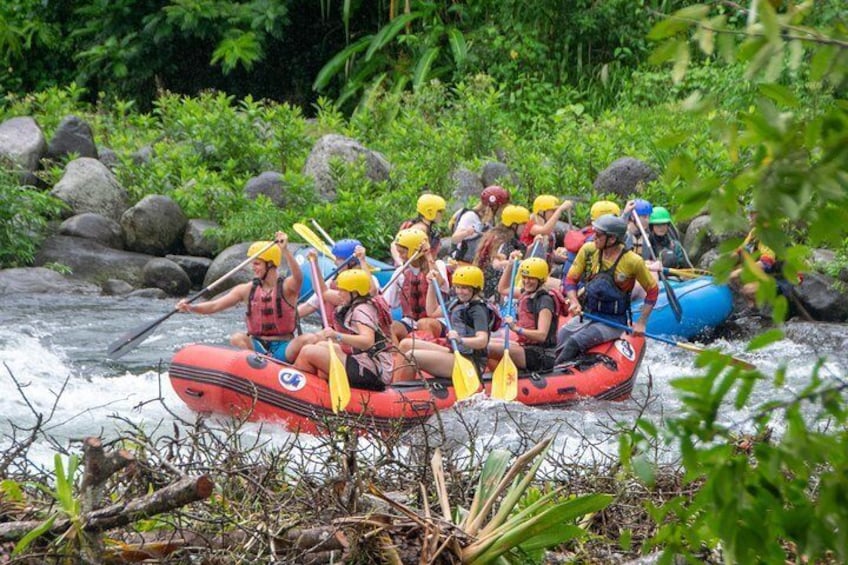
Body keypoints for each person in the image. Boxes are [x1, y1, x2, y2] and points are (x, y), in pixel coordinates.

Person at [176, 232, 302, 360]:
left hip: (284, 346)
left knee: (308, 339)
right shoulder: (246, 290)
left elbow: (298, 277)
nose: (253, 268)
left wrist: (285, 250)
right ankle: (256, 368)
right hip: (257, 345)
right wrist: (191, 307)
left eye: (257, 264)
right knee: (237, 338)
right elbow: (214, 305)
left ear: (270, 264)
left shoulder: (287, 287)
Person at [555, 215, 658, 365]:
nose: (593, 237)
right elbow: (571, 279)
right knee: (560, 337)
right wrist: (574, 301)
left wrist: (642, 322)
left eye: (598, 235)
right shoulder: (589, 250)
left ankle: (554, 372)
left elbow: (653, 290)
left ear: (612, 239)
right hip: (587, 314)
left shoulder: (633, 261)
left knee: (575, 342)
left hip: (613, 322)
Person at [293, 269, 394, 391]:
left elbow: (368, 341)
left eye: (342, 290)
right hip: (364, 360)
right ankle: (320, 391)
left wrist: (337, 335)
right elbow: (323, 291)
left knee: (307, 352)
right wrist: (313, 264)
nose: (339, 293)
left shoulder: (362, 310)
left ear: (354, 292)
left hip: (372, 370)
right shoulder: (357, 302)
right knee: (321, 345)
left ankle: (297, 391)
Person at [285, 240, 379, 362]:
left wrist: (362, 260)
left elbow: (371, 292)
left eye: (338, 259)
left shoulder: (367, 283)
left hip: (350, 341)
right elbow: (312, 302)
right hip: (333, 334)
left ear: (351, 261)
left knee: (309, 342)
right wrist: (286, 318)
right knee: (305, 341)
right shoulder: (333, 281)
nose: (335, 262)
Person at [396, 266, 493, 381]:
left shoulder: (478, 310)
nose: (459, 291)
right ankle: (392, 388)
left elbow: (482, 341)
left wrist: (460, 339)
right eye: (457, 287)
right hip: (454, 352)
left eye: (465, 288)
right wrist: (432, 285)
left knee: (411, 356)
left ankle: (400, 393)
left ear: (475, 289)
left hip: (469, 362)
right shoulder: (458, 303)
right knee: (405, 344)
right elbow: (432, 311)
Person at [489, 256, 561, 372]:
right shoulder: (527, 293)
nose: (526, 281)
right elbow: (503, 289)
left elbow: (541, 335)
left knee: (487, 348)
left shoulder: (545, 301)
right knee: (488, 341)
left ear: (540, 279)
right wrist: (511, 265)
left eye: (531, 278)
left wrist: (516, 328)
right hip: (527, 347)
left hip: (541, 355)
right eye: (524, 277)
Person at [730, 205, 801, 312]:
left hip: (787, 279)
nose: (750, 216)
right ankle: (754, 306)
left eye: (753, 213)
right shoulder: (755, 232)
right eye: (750, 213)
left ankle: (762, 307)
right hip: (771, 274)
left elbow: (766, 263)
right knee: (735, 269)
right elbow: (740, 251)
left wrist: (737, 272)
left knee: (747, 289)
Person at [383, 228, 444, 343]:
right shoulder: (400, 272)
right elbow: (387, 302)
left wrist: (428, 255)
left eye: (402, 252)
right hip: (410, 321)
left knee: (424, 324)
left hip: (436, 320)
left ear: (413, 251)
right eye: (398, 251)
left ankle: (427, 357)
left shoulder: (438, 265)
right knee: (391, 327)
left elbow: (439, 282)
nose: (399, 256)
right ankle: (397, 358)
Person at [473, 204, 529, 302]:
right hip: (494, 290)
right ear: (514, 225)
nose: (525, 227)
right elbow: (496, 264)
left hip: (487, 285)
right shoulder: (505, 241)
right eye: (523, 224)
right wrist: (518, 263)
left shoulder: (496, 235)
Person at [448, 185, 510, 264]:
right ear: (492, 206)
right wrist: (466, 232)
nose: (502, 211)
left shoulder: (489, 221)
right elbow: (454, 238)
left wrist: (496, 255)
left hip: (475, 264)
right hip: (461, 264)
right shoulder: (470, 216)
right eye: (501, 207)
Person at [391, 193, 446, 265]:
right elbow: (395, 245)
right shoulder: (419, 230)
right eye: (440, 211)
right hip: (416, 272)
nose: (442, 214)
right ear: (430, 212)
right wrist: (401, 263)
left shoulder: (419, 226)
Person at [520, 195, 574, 259]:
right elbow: (545, 230)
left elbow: (547, 253)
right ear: (541, 212)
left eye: (555, 211)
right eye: (553, 211)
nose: (555, 214)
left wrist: (562, 257)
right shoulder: (530, 225)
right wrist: (560, 210)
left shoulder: (547, 226)